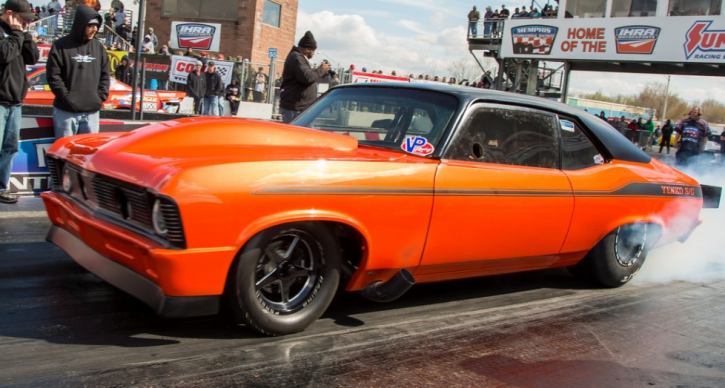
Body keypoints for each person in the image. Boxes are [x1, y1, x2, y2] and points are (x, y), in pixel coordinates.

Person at [47, 5, 110, 139]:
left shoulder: (98, 47)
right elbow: (53, 75)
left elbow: (105, 74)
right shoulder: (60, 46)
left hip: (91, 113)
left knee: (87, 156)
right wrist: (66, 97)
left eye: (97, 26)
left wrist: (100, 97)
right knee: (64, 153)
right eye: (91, 25)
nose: (94, 29)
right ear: (81, 24)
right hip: (66, 112)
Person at [0, 0, 39, 204]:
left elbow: (33, 57)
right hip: (0, 99)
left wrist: (25, 34)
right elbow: (5, 54)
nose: (25, 22)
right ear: (9, 13)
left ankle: (1, 187)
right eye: (22, 18)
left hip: (15, 99)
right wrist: (16, 33)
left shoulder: (20, 33)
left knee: (10, 147)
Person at [279, 31, 330, 123]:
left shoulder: (298, 58)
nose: (314, 53)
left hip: (299, 108)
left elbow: (305, 76)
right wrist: (321, 70)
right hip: (295, 109)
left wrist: (320, 72)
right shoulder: (296, 57)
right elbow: (308, 77)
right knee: (295, 136)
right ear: (307, 49)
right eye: (313, 50)